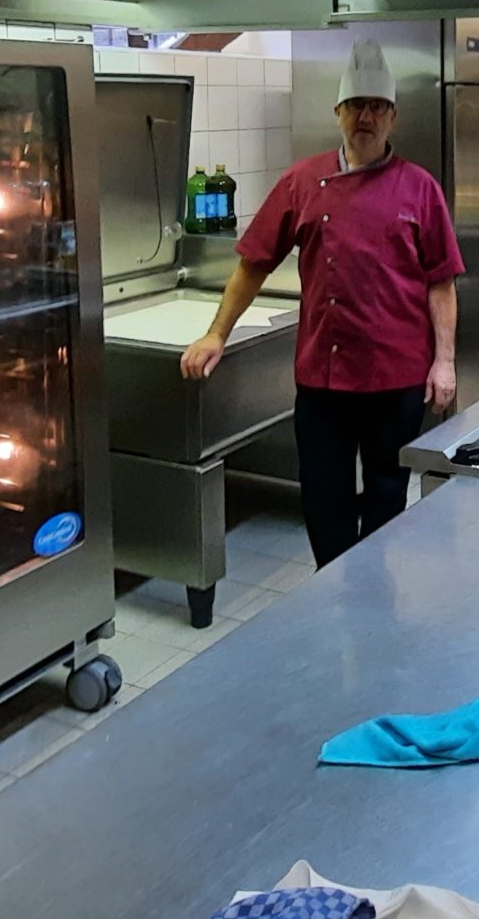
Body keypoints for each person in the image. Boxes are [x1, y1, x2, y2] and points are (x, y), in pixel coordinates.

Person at [180, 39, 463, 568]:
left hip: (397, 375)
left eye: (376, 106)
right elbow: (253, 264)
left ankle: (372, 588)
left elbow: (441, 283)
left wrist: (443, 361)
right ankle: (331, 586)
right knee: (323, 498)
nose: (365, 117)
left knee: (387, 493)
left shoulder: (420, 188)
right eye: (355, 105)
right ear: (338, 113)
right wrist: (217, 333)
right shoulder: (302, 181)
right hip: (324, 379)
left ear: (393, 117)